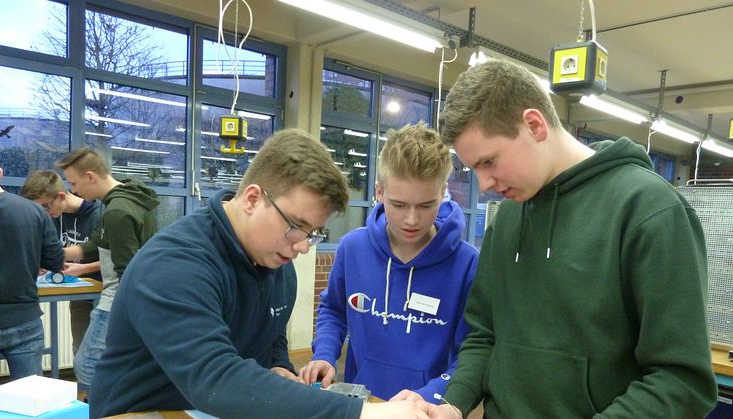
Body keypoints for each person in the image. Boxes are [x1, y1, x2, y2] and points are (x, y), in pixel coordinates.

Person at [430, 59, 718, 419]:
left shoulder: (649, 210)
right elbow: (485, 335)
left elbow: (681, 380)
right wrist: (455, 402)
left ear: (534, 125)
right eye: (473, 170)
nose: (484, 185)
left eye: (489, 162)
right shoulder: (506, 220)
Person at [89, 129, 435, 419]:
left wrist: (278, 367)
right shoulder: (174, 264)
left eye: (314, 232)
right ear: (253, 198)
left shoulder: (275, 261)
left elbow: (270, 338)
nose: (302, 246)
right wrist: (362, 413)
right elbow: (215, 378)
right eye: (296, 226)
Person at [299, 123, 478, 403]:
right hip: (363, 405)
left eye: (425, 205)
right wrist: (324, 354)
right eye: (399, 204)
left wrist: (432, 393)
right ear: (379, 192)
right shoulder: (353, 248)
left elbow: (470, 352)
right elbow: (334, 310)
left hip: (426, 410)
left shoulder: (467, 264)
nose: (411, 220)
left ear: (443, 191)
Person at [55, 148, 159, 395]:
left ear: (91, 176)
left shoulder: (117, 211)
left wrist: (128, 317)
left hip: (117, 300)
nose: (74, 191)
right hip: (125, 298)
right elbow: (97, 244)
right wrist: (56, 254)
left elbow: (127, 270)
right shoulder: (123, 200)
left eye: (74, 183)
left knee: (87, 365)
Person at [0, 147, 64, 389]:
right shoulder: (33, 211)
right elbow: (55, 261)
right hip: (25, 319)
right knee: (29, 401)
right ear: (0, 173)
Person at [20, 170, 103, 355]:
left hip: (104, 291)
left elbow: (118, 259)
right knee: (80, 350)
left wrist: (83, 268)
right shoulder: (55, 216)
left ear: (60, 196)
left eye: (45, 207)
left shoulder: (101, 214)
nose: (44, 213)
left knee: (100, 354)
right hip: (79, 293)